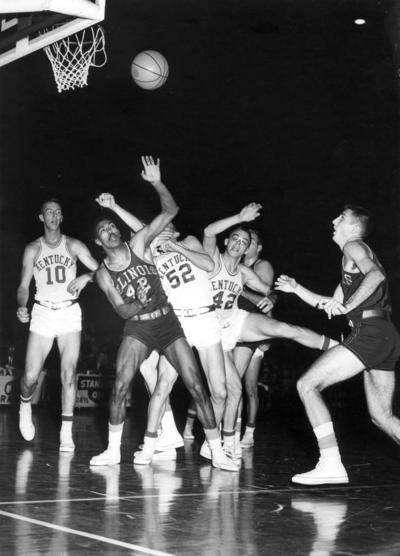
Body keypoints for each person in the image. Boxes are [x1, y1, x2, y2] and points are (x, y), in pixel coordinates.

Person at [89, 156, 238, 471]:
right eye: (103, 230)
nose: (109, 230)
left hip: (171, 321)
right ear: (98, 241)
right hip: (139, 327)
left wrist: (156, 181)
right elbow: (120, 308)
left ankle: (217, 450)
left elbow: (169, 212)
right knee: (123, 382)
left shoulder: (143, 244)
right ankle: (118, 450)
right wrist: (139, 303)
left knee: (197, 385)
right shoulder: (105, 272)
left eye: (111, 226)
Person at [275, 205, 400, 485]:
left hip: (369, 331)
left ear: (353, 228)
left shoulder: (354, 246)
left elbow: (377, 276)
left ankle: (330, 462)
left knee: (307, 385)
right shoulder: (348, 263)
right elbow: (332, 306)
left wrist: (348, 308)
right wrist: (297, 289)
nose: (333, 220)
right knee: (382, 417)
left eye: (340, 218)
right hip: (384, 335)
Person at [203, 203, 337, 460]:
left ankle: (335, 347)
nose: (239, 245)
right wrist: (239, 217)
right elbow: (209, 231)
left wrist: (273, 300)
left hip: (235, 321)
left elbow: (269, 290)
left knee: (285, 328)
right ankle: (222, 442)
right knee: (231, 390)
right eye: (235, 239)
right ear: (227, 240)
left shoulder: (243, 271)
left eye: (244, 242)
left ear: (247, 249)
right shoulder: (211, 259)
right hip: (210, 331)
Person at [16, 198, 99, 451]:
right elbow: (23, 287)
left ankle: (66, 432)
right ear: (42, 217)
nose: (53, 215)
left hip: (68, 313)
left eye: (58, 212)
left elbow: (105, 271)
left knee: (68, 373)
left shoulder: (73, 245)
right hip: (42, 313)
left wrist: (87, 276)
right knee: (30, 376)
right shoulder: (32, 248)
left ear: (62, 218)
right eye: (49, 212)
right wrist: (21, 305)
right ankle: (24, 405)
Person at [234, 229, 276, 449]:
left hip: (254, 332)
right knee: (232, 383)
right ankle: (234, 427)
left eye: (251, 241)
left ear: (258, 247)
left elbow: (266, 297)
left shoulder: (262, 265)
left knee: (249, 385)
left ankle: (249, 432)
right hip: (234, 328)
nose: (246, 244)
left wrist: (237, 289)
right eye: (244, 240)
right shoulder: (234, 262)